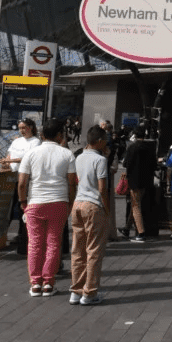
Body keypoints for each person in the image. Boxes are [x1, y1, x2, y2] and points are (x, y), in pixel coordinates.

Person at [18, 118, 76, 297]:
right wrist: (70, 203)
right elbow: (72, 183)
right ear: (60, 135)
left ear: (42, 135)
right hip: (59, 202)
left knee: (34, 244)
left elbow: (22, 183)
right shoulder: (67, 154)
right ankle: (48, 283)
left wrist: (23, 202)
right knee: (53, 243)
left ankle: (35, 283)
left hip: (35, 202)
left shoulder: (31, 153)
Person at [69, 125, 109, 306]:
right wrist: (106, 208)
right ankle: (90, 292)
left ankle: (76, 291)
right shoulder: (100, 160)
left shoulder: (79, 157)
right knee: (93, 251)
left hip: (77, 204)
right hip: (93, 205)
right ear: (99, 141)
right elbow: (102, 188)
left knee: (78, 250)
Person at [0, 119, 42, 253]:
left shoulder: (36, 142)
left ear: (31, 128)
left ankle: (23, 235)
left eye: (24, 128)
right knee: (10, 206)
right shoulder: (17, 141)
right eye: (20, 128)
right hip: (12, 177)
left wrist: (10, 160)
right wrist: (6, 162)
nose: (22, 130)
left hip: (25, 178)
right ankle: (5, 235)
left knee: (23, 206)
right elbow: (9, 154)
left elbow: (28, 158)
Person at [121, 126, 155, 243]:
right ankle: (126, 228)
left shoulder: (132, 147)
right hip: (146, 180)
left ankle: (141, 233)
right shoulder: (150, 148)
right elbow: (154, 165)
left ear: (135, 135)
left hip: (134, 180)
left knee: (136, 206)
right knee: (136, 205)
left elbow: (126, 163)